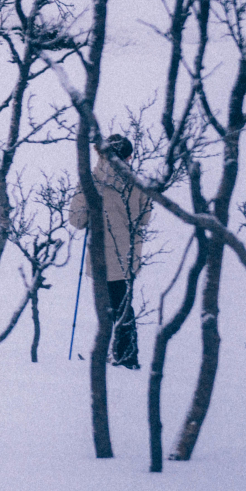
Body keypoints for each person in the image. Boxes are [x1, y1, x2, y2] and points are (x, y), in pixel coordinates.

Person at [68, 134, 153, 369]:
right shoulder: (138, 182)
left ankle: (118, 355)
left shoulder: (91, 179)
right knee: (124, 306)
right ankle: (125, 355)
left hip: (100, 256)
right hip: (127, 256)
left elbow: (76, 219)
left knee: (106, 308)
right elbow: (145, 219)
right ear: (129, 156)